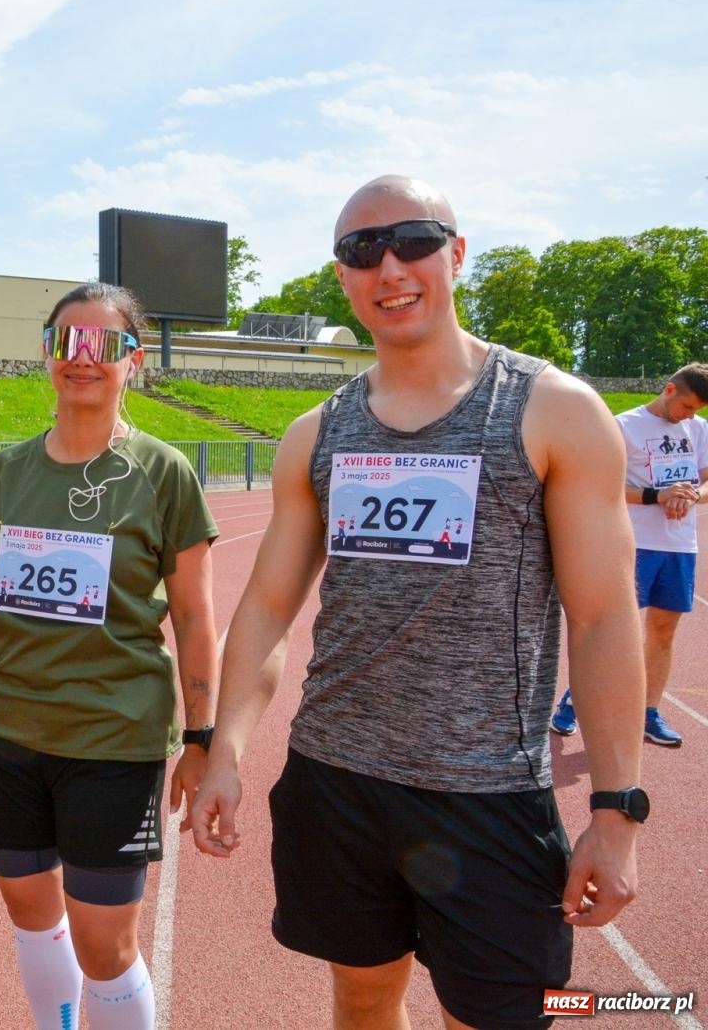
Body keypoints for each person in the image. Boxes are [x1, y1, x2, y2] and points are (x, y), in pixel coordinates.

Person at [189, 175, 646, 1030]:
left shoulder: (552, 411)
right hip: (338, 783)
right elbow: (265, 610)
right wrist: (225, 751)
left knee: (498, 1018)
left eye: (413, 241)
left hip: (488, 792)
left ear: (456, 254)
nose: (389, 266)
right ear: (344, 278)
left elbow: (601, 616)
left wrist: (617, 810)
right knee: (362, 998)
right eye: (363, 251)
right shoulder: (317, 433)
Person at [0, 283, 219, 1030]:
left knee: (104, 942)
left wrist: (202, 737)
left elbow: (193, 614)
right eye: (66, 343)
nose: (80, 360)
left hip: (112, 741)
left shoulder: (164, 475)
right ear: (47, 355)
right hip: (6, 734)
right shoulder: (6, 473)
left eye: (101, 345)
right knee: (31, 918)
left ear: (134, 359)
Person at [551, 362, 708, 747]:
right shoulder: (623, 426)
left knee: (664, 630)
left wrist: (691, 497)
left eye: (697, 411)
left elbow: (705, 482)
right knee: (610, 630)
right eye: (686, 406)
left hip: (679, 544)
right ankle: (574, 701)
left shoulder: (699, 430)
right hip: (632, 542)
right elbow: (599, 486)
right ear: (669, 390)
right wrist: (658, 496)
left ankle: (648, 712)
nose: (689, 416)